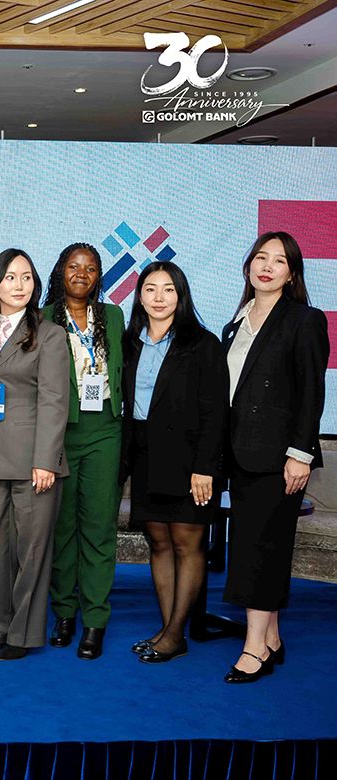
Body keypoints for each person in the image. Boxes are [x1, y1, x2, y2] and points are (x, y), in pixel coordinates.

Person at [221, 232, 329, 683]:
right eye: (260, 258)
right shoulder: (235, 324)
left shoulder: (304, 320)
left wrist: (300, 454)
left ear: (291, 273)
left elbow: (311, 392)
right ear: (248, 265)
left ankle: (254, 649)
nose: (266, 266)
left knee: (261, 550)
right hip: (241, 455)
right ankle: (271, 637)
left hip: (282, 459)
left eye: (279, 260)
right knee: (254, 546)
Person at [121, 262, 228, 663]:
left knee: (187, 543)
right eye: (151, 289)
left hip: (189, 460)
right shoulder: (130, 341)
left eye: (168, 289)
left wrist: (206, 467)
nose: (159, 298)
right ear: (139, 296)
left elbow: (215, 412)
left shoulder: (202, 343)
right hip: (145, 455)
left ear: (181, 295)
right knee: (160, 542)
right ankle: (167, 630)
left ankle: (175, 635)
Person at [0, 249, 70, 661]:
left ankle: (24, 632)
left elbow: (54, 400)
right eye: (11, 277)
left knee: (31, 552)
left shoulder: (50, 334)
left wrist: (46, 460)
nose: (19, 285)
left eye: (27, 277)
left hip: (34, 460)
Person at [40, 243, 125, 660]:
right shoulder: (42, 318)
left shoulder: (114, 316)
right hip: (58, 431)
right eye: (73, 266)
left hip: (104, 430)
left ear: (98, 277)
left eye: (90, 269)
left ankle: (95, 619)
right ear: (61, 271)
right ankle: (63, 612)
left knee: (98, 526)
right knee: (61, 527)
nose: (81, 274)